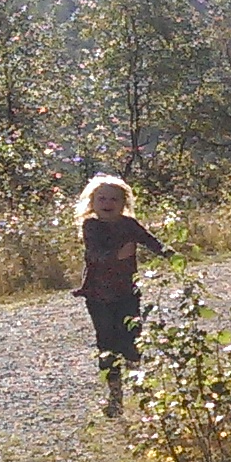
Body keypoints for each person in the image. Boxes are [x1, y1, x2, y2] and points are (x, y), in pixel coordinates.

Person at [74, 175, 175, 416]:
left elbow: (150, 241)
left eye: (114, 199)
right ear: (92, 202)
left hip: (127, 292)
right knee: (107, 342)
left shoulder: (129, 224)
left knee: (132, 340)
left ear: (123, 203)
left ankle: (142, 391)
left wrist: (170, 254)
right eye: (102, 199)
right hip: (98, 294)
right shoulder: (91, 226)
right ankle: (115, 396)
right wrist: (117, 256)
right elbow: (94, 254)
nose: (107, 203)